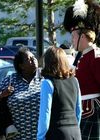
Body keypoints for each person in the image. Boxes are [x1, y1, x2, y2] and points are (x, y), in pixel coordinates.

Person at [63, 0, 100, 139]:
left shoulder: (96, 56)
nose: (71, 40)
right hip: (81, 111)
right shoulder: (81, 57)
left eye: (73, 36)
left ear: (82, 36)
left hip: (93, 112)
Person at [0, 47, 41, 140]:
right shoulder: (11, 79)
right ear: (21, 66)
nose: (33, 59)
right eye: (29, 59)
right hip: (16, 136)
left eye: (34, 57)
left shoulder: (44, 78)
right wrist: (2, 94)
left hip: (41, 136)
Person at [37, 46, 82, 140]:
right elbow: (78, 110)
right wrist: (75, 127)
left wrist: (40, 137)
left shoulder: (47, 83)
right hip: (75, 132)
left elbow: (45, 114)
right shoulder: (75, 81)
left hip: (57, 133)